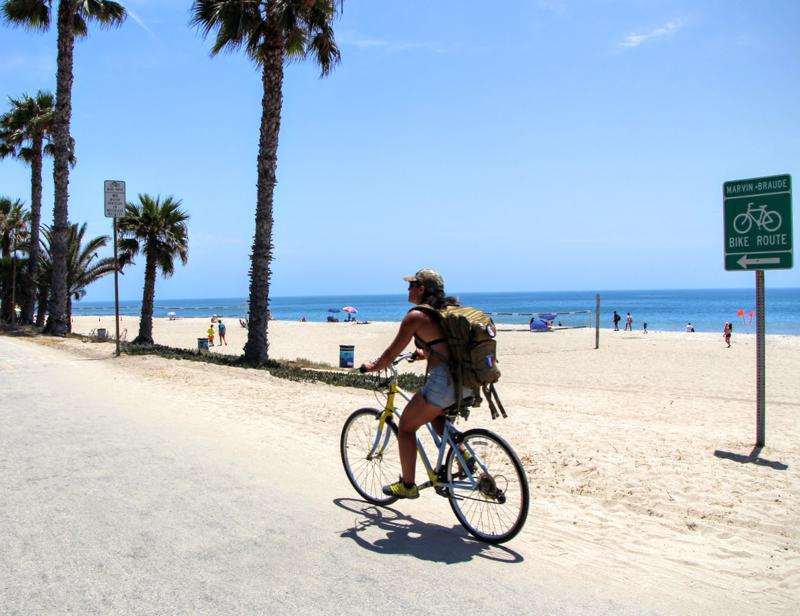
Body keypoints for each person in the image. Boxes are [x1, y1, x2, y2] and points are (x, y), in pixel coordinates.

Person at [360, 268, 469, 499]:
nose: (408, 289)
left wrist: (373, 366)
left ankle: (408, 485)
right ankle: (464, 455)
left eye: (411, 285)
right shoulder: (447, 311)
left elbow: (391, 353)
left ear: (422, 289)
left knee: (407, 427)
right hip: (466, 380)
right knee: (436, 416)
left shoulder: (416, 316)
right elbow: (448, 346)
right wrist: (425, 353)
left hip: (444, 382)